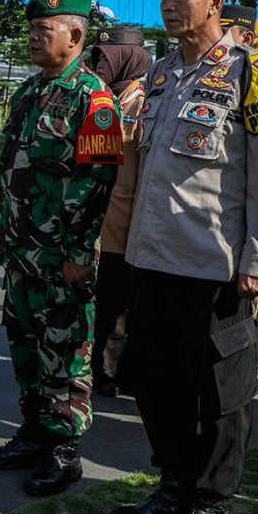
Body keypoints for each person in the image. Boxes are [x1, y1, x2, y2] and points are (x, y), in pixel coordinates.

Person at [111, 0, 258, 514]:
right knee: (155, 379)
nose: (168, 5)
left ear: (215, 3)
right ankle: (171, 485)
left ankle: (210, 499)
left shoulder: (252, 71)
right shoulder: (161, 73)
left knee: (220, 391)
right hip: (154, 255)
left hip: (215, 263)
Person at [0, 0, 122, 497]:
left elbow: (100, 180)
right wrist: (4, 234)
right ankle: (34, 432)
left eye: (45, 31)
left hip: (64, 255)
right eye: (33, 31)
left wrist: (80, 252)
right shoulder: (26, 92)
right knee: (24, 345)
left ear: (77, 35)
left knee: (64, 351)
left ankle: (64, 452)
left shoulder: (95, 98)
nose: (35, 38)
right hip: (24, 252)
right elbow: (11, 171)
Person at [88, 25, 151, 398]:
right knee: (98, 304)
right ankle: (96, 368)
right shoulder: (101, 99)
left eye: (106, 57)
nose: (100, 64)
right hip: (96, 222)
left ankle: (114, 373)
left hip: (125, 227)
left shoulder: (145, 104)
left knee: (120, 309)